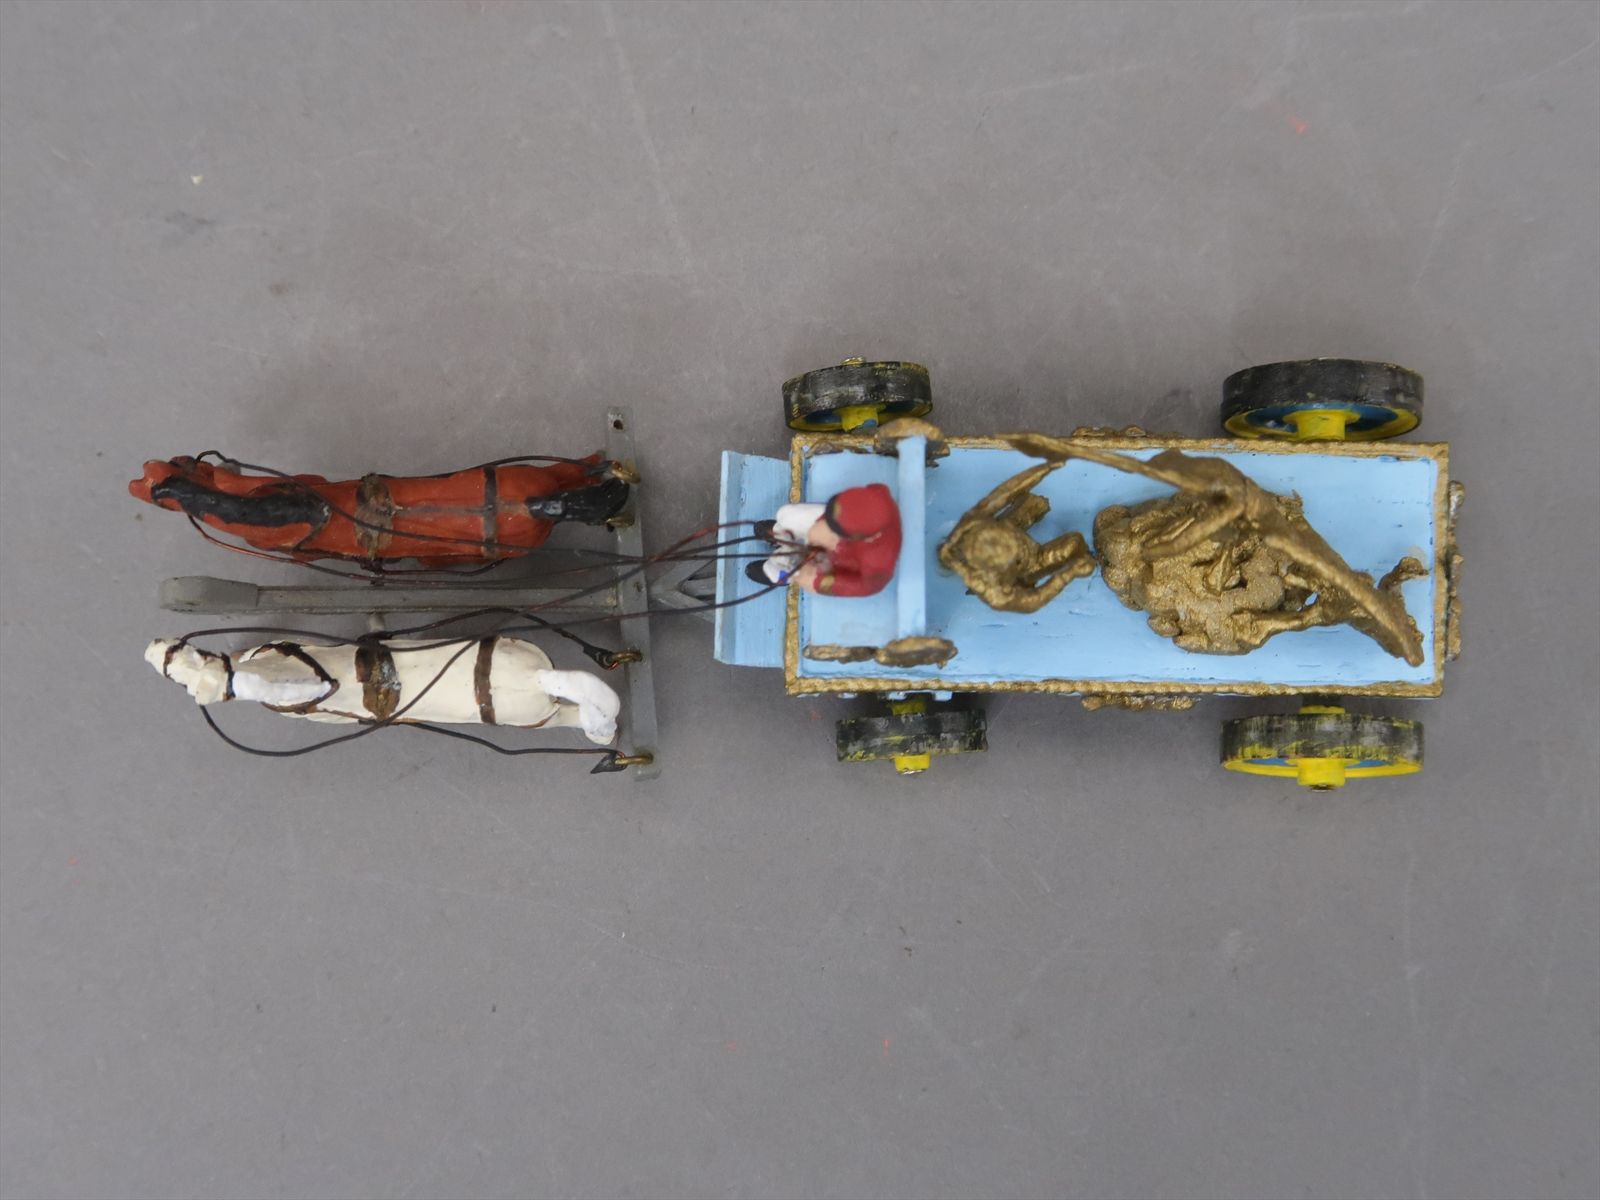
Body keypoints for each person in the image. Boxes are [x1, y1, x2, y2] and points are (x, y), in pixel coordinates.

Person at [747, 482, 901, 597]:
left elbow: (866, 586)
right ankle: (782, 535)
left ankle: (779, 575)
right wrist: (823, 522)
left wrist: (818, 582)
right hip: (834, 524)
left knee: (798, 568)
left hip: (839, 559)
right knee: (786, 515)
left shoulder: (878, 562)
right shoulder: (878, 495)